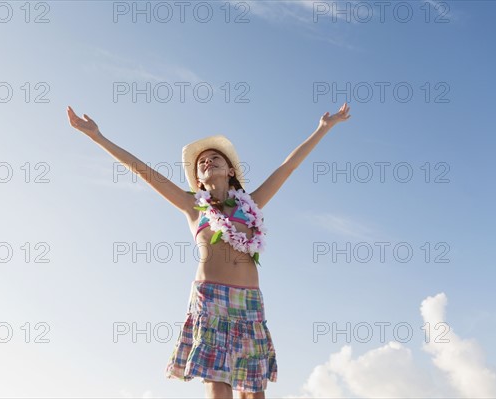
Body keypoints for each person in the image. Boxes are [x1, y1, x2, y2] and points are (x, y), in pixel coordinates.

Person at [66, 103, 352, 398]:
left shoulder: (251, 204)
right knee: (218, 386)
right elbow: (144, 172)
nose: (207, 161)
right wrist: (97, 137)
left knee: (253, 394)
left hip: (249, 304)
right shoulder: (193, 207)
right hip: (210, 301)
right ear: (198, 180)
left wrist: (323, 128)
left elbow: (288, 167)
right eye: (201, 162)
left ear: (230, 171)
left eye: (215, 157)